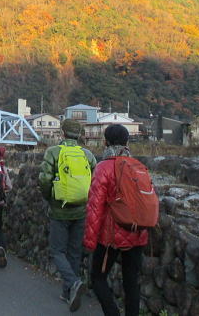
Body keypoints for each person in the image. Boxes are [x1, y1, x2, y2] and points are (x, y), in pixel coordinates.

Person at [83, 124, 147, 316]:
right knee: (131, 282)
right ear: (127, 142)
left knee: (98, 278)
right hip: (137, 231)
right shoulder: (138, 166)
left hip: (110, 235)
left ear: (105, 142)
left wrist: (90, 241)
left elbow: (95, 207)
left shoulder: (104, 167)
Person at [38, 119, 97, 312]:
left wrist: (50, 198)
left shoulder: (53, 152)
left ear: (62, 133)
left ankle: (72, 282)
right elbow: (94, 180)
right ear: (79, 134)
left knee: (57, 251)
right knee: (74, 252)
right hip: (81, 209)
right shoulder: (87, 154)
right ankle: (67, 292)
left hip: (59, 210)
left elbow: (45, 179)